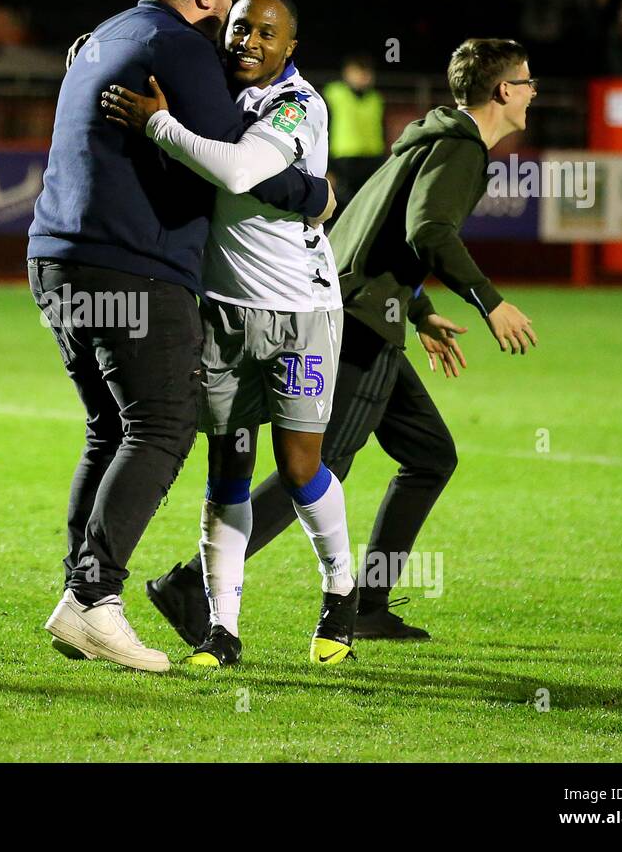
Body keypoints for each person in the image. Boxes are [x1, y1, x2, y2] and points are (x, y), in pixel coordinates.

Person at [146, 39, 541, 645]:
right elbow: (427, 230)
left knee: (430, 455)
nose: (535, 90)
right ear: (503, 90)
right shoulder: (461, 149)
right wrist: (490, 300)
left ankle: (370, 604)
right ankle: (191, 586)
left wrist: (420, 309)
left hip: (363, 309)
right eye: (528, 80)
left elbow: (370, 229)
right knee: (317, 464)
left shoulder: (430, 138)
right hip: (358, 323)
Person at [28, 0, 332, 673]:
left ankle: (80, 593)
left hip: (54, 260)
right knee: (161, 427)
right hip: (134, 269)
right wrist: (316, 194)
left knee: (110, 428)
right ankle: (92, 600)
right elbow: (238, 168)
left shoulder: (104, 35)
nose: (232, 15)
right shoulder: (184, 49)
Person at [101, 0, 357, 666]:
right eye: (241, 26)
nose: (249, 40)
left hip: (302, 313)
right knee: (227, 470)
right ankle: (223, 630)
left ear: (289, 47)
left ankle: (341, 596)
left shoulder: (300, 103)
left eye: (267, 33)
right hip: (221, 313)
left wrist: (158, 125)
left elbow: (242, 171)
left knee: (300, 467)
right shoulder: (212, 88)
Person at [322, 53, 387, 219]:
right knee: (340, 215)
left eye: (366, 73)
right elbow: (322, 131)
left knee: (367, 215)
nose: (363, 77)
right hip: (342, 164)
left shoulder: (376, 98)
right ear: (347, 72)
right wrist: (327, 168)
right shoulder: (333, 94)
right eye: (358, 72)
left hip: (372, 163)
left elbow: (382, 132)